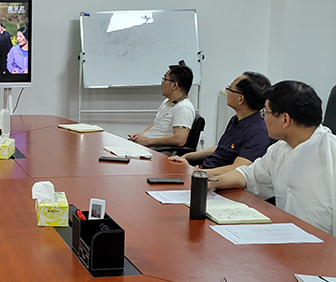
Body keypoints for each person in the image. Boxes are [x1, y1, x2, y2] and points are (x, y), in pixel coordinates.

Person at [210, 80, 336, 236]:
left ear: (285, 119)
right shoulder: (280, 149)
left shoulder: (331, 153)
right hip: (287, 237)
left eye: (266, 112)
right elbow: (249, 176)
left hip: (324, 246)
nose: (263, 118)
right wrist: (213, 181)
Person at [169, 72, 272, 176]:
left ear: (240, 99)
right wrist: (187, 157)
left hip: (218, 180)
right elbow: (222, 148)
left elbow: (238, 168)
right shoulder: (236, 119)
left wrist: (194, 173)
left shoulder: (259, 132)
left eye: (230, 89)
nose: (227, 92)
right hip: (205, 172)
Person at [129, 61, 195, 147]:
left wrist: (148, 141)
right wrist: (141, 135)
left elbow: (179, 139)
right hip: (147, 147)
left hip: (157, 151)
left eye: (165, 79)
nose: (162, 83)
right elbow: (156, 125)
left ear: (174, 85)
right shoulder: (166, 102)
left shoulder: (183, 108)